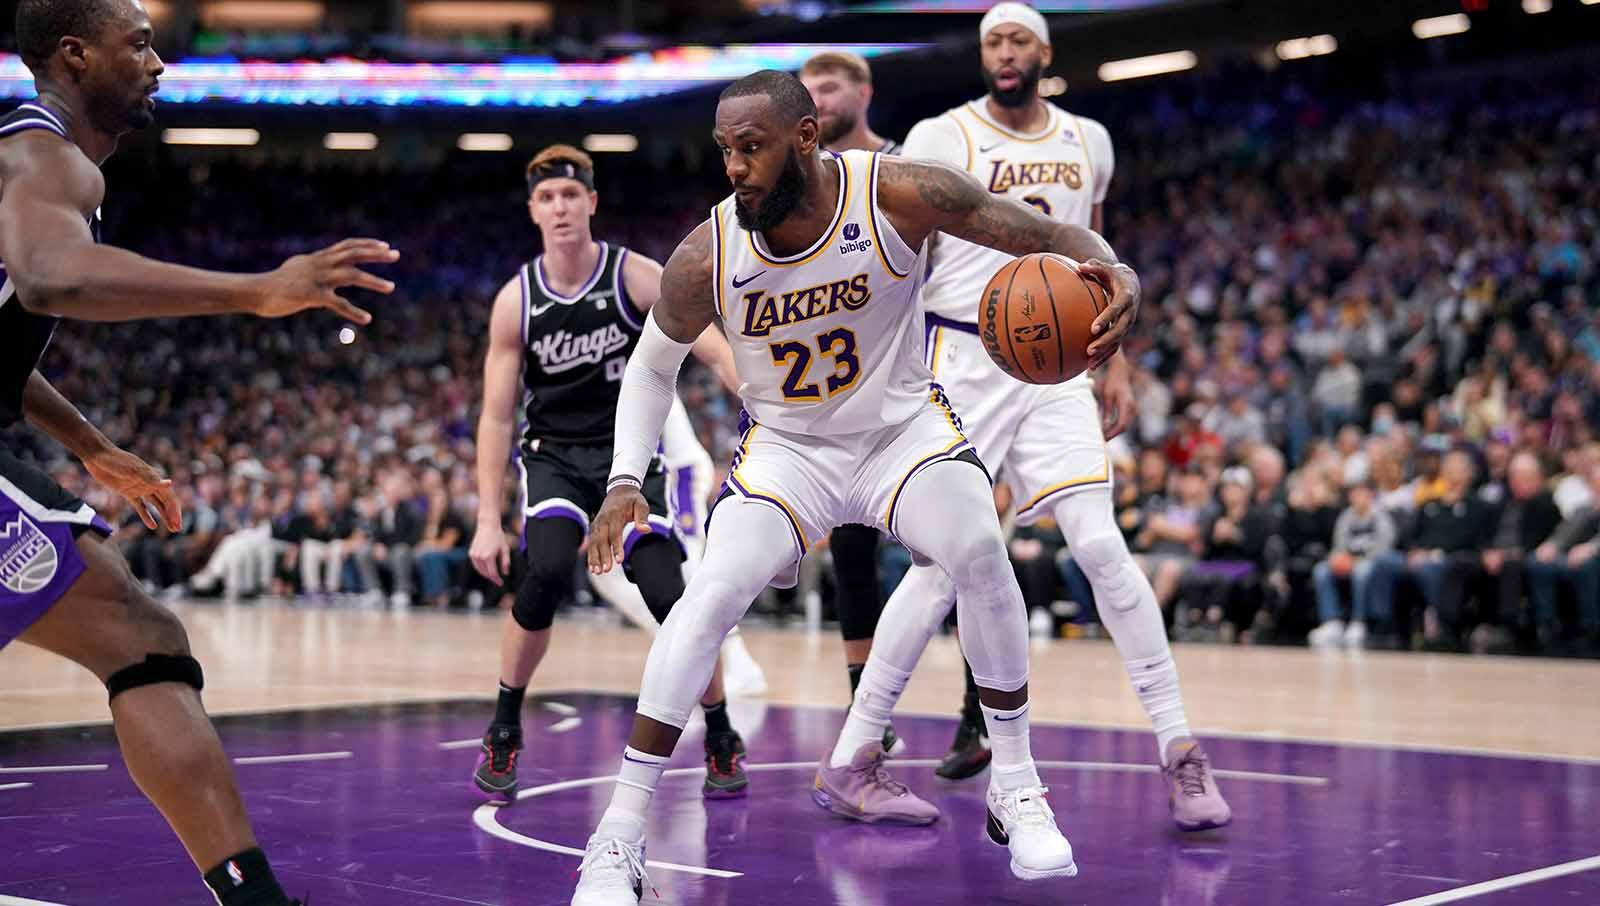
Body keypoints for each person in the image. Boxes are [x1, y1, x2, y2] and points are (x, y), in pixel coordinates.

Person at [570, 68, 1142, 903]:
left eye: (751, 146)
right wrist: (627, 478)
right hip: (788, 450)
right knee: (709, 596)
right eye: (725, 149)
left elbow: (1039, 232)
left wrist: (1112, 267)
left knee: (981, 551)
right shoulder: (709, 250)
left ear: (805, 137)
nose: (734, 167)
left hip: (899, 432)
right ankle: (618, 836)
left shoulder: (901, 193)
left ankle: (1016, 785)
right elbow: (652, 367)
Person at [0, 2, 397, 903]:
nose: (158, 63)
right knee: (140, 637)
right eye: (138, 43)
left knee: (136, 632)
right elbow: (52, 278)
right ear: (74, 54)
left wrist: (93, 445)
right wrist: (257, 290)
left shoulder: (32, 159)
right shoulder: (42, 153)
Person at [822, 0, 1230, 830]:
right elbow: (905, 250)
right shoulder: (943, 135)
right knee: (940, 568)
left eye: (1017, 41)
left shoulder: (1089, 140)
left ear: (1044, 52)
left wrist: (1113, 358)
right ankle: (856, 753)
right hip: (961, 355)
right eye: (992, 42)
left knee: (1102, 546)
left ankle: (1181, 750)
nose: (1004, 53)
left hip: (1055, 365)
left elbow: (1093, 245)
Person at [466, 144, 751, 805]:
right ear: (533, 211)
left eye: (571, 194)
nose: (560, 207)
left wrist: (760, 397)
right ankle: (504, 725)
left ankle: (720, 729)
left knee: (667, 592)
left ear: (591, 202)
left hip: (630, 457)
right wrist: (485, 518)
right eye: (547, 197)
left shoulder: (633, 276)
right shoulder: (517, 300)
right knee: (543, 572)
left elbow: (710, 346)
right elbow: (496, 417)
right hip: (556, 458)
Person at [800, 48, 905, 751]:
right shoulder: (802, 183)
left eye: (830, 87)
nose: (818, 99)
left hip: (916, 378)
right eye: (807, 90)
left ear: (864, 92)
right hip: (842, 388)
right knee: (851, 551)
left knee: (955, 552)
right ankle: (866, 705)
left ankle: (976, 706)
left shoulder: (902, 166)